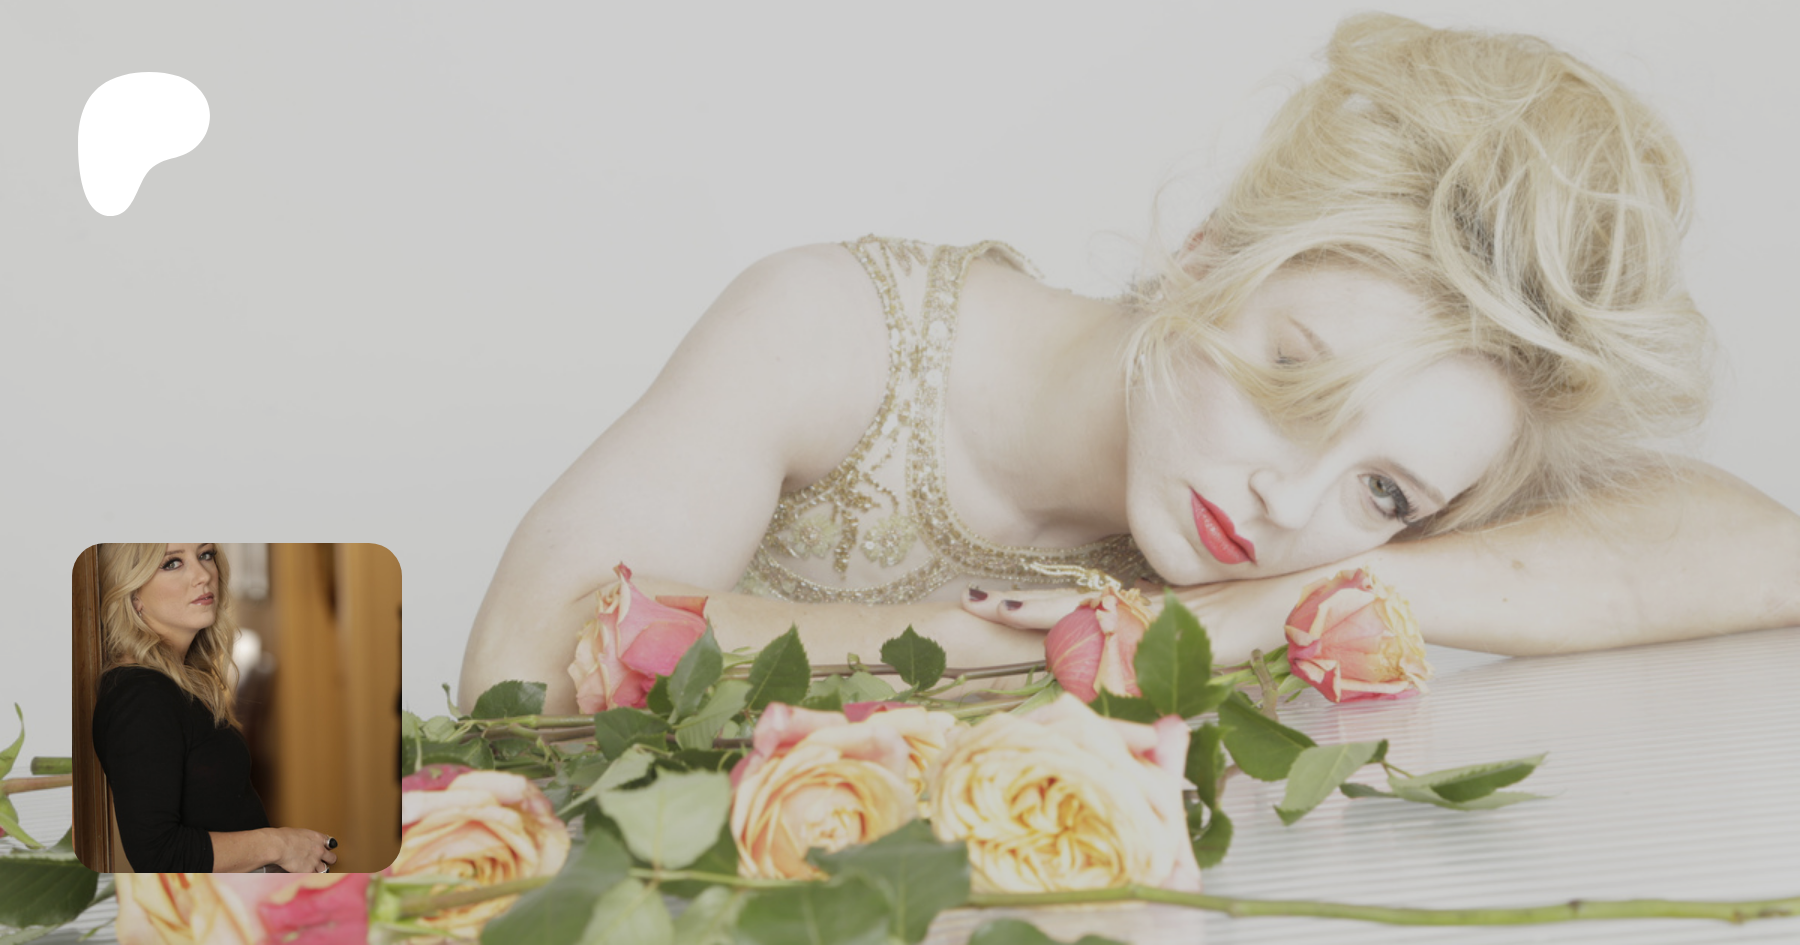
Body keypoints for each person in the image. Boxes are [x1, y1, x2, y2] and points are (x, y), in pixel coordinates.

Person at [459, 14, 1800, 716]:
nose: (1291, 503)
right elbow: (521, 669)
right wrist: (1028, 648)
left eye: (1387, 491)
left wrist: (1284, 606)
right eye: (1293, 378)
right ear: (1206, 253)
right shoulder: (834, 331)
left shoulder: (1318, 538)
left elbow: (1765, 552)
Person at [92, 543, 339, 874]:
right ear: (133, 594)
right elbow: (157, 855)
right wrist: (280, 845)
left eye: (205, 555)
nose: (203, 575)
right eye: (172, 563)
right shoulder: (141, 696)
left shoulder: (172, 683)